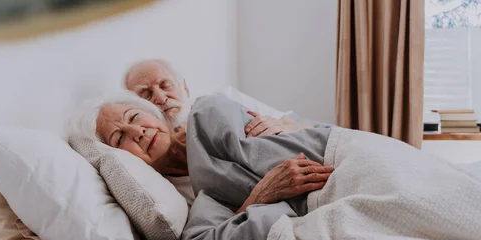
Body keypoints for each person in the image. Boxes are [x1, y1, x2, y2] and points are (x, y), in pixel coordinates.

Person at [68, 91, 334, 213]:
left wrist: (284, 125)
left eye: (135, 117)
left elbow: (313, 133)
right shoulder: (169, 196)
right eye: (119, 137)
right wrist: (262, 195)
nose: (137, 131)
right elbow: (215, 232)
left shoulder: (211, 115)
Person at [122, 59, 312, 137]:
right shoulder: (156, 154)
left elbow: (306, 127)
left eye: (166, 85)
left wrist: (282, 127)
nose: (161, 98)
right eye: (146, 95)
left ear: (185, 88)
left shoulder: (224, 98)